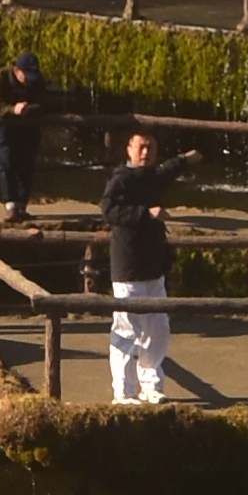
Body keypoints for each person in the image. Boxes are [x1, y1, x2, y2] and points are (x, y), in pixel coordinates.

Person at [97, 127, 180, 408]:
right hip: (128, 264)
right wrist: (145, 213)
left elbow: (168, 170)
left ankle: (151, 384)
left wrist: (187, 159)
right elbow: (108, 210)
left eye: (151, 148)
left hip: (153, 264)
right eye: (141, 147)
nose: (146, 153)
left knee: (158, 326)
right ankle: (124, 391)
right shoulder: (120, 180)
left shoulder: (153, 177)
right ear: (129, 149)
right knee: (127, 326)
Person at [0, 54, 50, 225]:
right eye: (27, 76)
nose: (30, 81)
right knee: (6, 164)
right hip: (4, 128)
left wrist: (29, 109)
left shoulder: (38, 82)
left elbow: (44, 104)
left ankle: (22, 206)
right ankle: (10, 205)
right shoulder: (0, 78)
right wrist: (12, 109)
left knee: (27, 166)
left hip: (28, 130)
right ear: (17, 71)